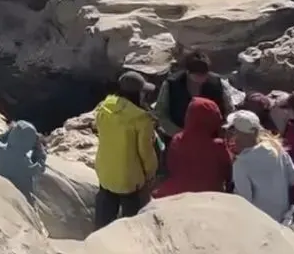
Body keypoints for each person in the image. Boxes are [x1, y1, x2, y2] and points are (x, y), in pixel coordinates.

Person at [94, 70, 159, 228]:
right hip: (129, 179)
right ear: (138, 94)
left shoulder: (104, 108)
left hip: (105, 172)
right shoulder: (141, 119)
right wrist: (151, 173)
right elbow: (146, 152)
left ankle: (98, 240)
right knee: (131, 223)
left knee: (104, 217)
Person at [227, 109, 294, 222]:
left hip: (260, 223)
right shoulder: (276, 148)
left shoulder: (241, 164)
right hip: (283, 219)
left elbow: (244, 200)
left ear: (239, 134)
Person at [153, 97, 232, 199]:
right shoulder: (218, 146)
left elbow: (171, 166)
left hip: (178, 192)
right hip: (210, 194)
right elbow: (228, 174)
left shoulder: (177, 140)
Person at [154, 52, 231, 139]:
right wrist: (179, 134)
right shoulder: (171, 84)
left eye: (204, 74)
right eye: (198, 75)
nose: (202, 78)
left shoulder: (218, 82)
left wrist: (222, 128)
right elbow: (161, 113)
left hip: (212, 137)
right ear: (188, 72)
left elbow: (229, 109)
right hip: (179, 137)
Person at [0, 120, 47, 202]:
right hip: (22, 198)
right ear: (29, 144)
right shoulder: (28, 165)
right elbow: (41, 166)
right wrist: (39, 147)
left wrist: (8, 133)